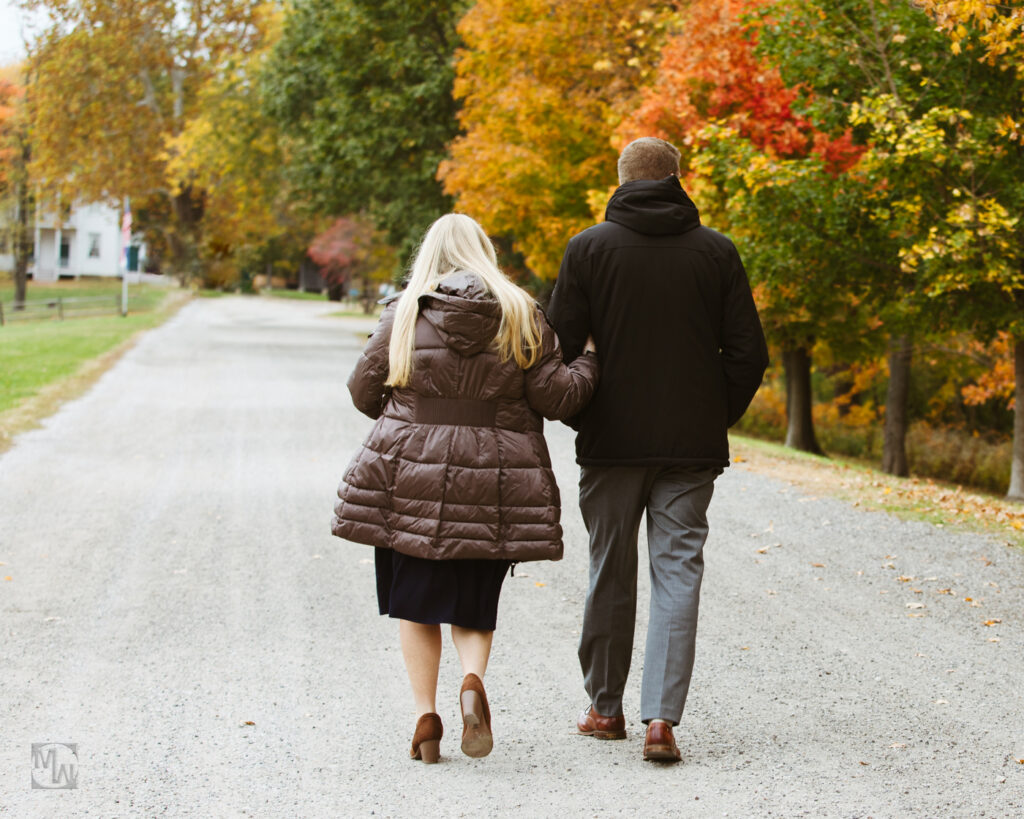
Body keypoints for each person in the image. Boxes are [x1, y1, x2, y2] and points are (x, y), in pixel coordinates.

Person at [332, 213, 598, 764]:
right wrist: (591, 358)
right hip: (495, 479)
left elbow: (363, 392)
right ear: (485, 253)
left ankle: (425, 717)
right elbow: (558, 399)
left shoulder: (405, 312)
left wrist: (411, 411)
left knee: (416, 602)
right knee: (474, 602)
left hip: (411, 477)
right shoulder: (523, 315)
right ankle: (471, 680)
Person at [547, 137, 768, 763]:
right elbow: (749, 353)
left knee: (608, 571)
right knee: (678, 571)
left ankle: (605, 708)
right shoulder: (717, 252)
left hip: (611, 443)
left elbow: (557, 350)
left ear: (619, 181)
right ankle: (662, 720)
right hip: (690, 449)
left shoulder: (588, 249)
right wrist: (710, 414)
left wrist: (586, 412)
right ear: (677, 179)